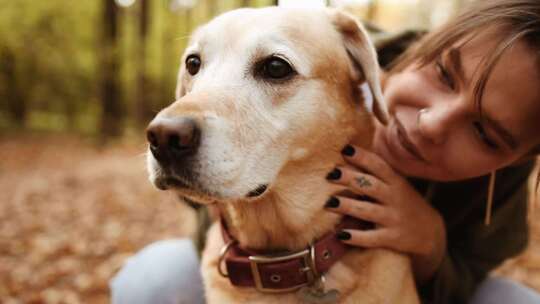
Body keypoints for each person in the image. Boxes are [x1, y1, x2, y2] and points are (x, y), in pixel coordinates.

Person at [110, 1, 540, 303]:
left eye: (484, 134)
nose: (431, 123)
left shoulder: (502, 184)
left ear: (518, 157)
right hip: (247, 264)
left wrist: (429, 242)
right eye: (445, 74)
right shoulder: (332, 41)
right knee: (153, 280)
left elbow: (469, 275)